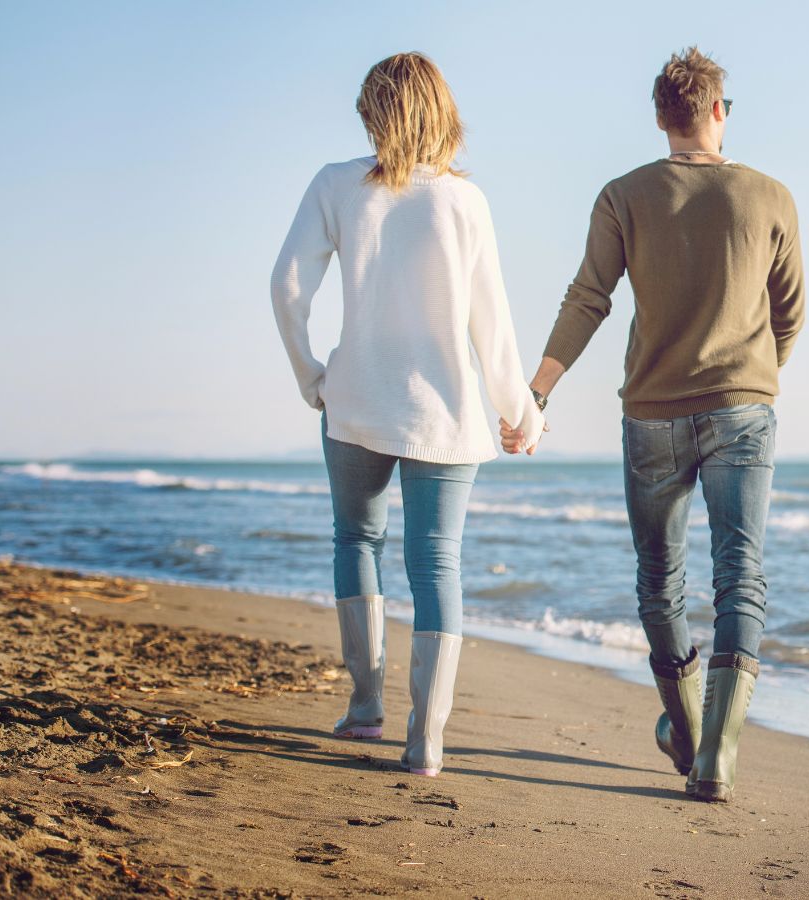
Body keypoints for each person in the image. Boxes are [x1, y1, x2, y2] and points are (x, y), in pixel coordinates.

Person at [503, 46, 805, 802]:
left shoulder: (623, 195)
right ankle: (718, 758)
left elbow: (588, 297)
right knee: (741, 576)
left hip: (651, 416)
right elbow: (790, 312)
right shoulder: (770, 196)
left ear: (662, 118)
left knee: (658, 578)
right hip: (744, 408)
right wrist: (754, 376)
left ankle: (687, 728)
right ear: (714, 112)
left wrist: (538, 390)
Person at [271, 52, 545, 777]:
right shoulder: (464, 201)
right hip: (445, 410)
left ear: (373, 112)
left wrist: (312, 377)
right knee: (437, 564)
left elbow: (285, 286)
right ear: (442, 111)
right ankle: (426, 741)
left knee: (356, 541)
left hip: (355, 397)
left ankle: (366, 710)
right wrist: (520, 411)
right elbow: (494, 323)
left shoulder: (336, 184)